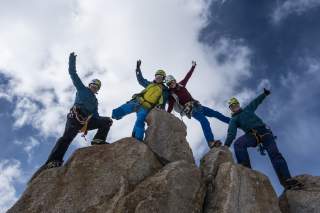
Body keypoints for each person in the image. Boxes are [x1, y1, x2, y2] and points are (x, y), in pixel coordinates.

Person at [44, 52, 113, 169]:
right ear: (89, 85)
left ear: (97, 90)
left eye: (96, 86)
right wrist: (72, 60)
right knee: (67, 138)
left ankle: (98, 139)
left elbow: (95, 116)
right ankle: (53, 161)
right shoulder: (82, 89)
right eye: (93, 85)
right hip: (74, 118)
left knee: (107, 121)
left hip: (85, 122)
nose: (94, 87)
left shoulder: (95, 101)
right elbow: (72, 73)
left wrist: (105, 120)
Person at [224, 88, 303, 189]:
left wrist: (264, 94)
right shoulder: (234, 120)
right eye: (233, 106)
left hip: (265, 133)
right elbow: (231, 132)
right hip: (252, 135)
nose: (235, 107)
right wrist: (226, 144)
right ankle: (246, 170)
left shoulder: (248, 109)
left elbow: (256, 101)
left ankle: (287, 180)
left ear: (239, 104)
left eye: (236, 104)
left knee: (275, 154)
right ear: (231, 109)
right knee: (238, 144)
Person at [165, 61, 230, 149]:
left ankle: (231, 122)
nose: (171, 85)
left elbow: (188, 76)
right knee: (204, 121)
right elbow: (170, 106)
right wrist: (166, 114)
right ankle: (211, 142)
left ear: (174, 80)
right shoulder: (172, 95)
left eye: (172, 82)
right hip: (192, 110)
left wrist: (193, 66)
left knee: (216, 113)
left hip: (198, 106)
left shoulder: (181, 84)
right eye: (169, 84)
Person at [112, 60, 168, 141]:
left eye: (160, 77)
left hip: (146, 108)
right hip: (137, 101)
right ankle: (113, 116)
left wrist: (161, 109)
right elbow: (140, 80)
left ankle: (137, 139)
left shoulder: (164, 90)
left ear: (163, 79)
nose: (158, 78)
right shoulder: (150, 84)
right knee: (121, 110)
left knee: (140, 121)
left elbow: (164, 100)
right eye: (157, 76)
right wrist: (138, 69)